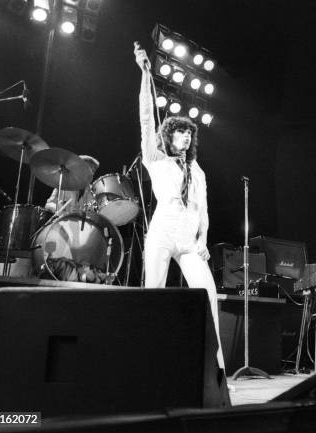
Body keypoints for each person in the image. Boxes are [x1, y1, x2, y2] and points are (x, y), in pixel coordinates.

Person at [134, 44, 224, 369]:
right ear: (169, 136)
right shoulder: (156, 160)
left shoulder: (197, 170)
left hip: (188, 238)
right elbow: (146, 118)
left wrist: (202, 241)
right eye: (180, 133)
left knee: (208, 293)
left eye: (189, 133)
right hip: (162, 231)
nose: (185, 138)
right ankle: (144, 360)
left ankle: (214, 365)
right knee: (153, 293)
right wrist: (146, 75)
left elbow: (203, 210)